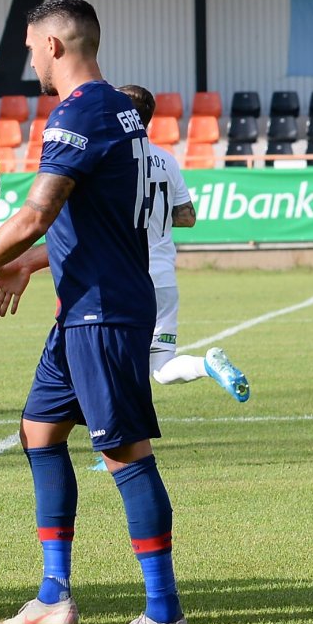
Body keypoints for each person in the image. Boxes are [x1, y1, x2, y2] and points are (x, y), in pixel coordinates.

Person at [0, 0, 188, 624]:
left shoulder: (81, 110)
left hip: (104, 310)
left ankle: (163, 613)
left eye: (32, 47)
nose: (23, 58)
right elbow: (84, 218)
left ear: (57, 48)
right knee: (39, 431)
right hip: (84, 309)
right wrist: (32, 267)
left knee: (123, 451)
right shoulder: (119, 109)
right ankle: (53, 596)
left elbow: (37, 213)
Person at [118, 83, 249, 399]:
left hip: (128, 277)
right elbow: (188, 216)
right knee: (161, 369)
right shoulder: (166, 160)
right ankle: (207, 365)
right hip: (163, 277)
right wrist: (155, 218)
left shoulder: (115, 160)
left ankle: (115, 444)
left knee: (115, 363)